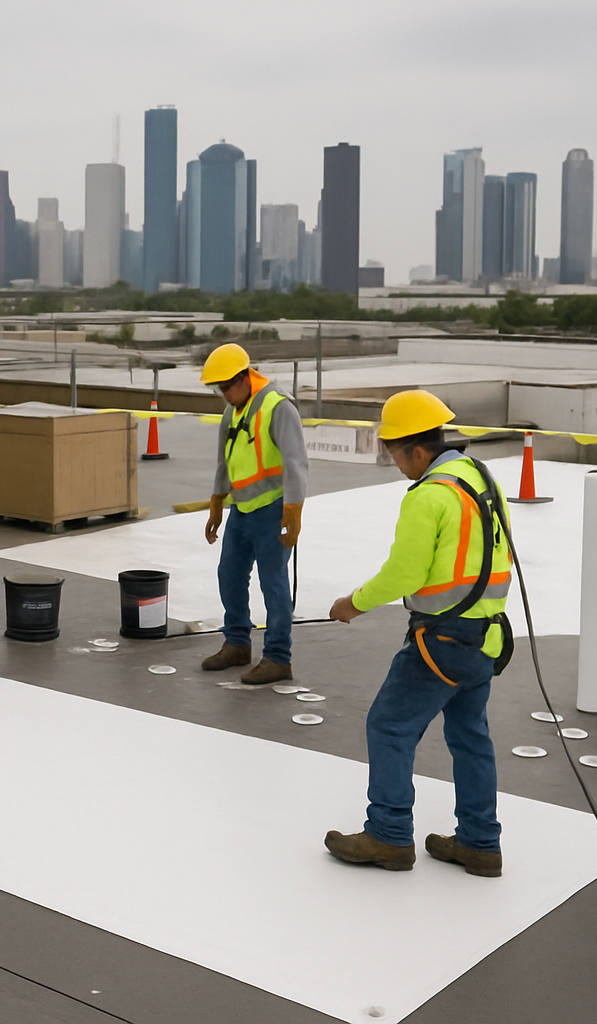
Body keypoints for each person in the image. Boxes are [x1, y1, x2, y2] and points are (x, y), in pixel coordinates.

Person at [324, 390, 513, 877]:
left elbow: (404, 574)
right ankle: (480, 844)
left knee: (389, 726)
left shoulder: (429, 495)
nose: (395, 463)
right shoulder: (480, 478)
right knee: (470, 738)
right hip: (486, 640)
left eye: (394, 452)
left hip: (441, 642)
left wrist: (352, 604)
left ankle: (388, 836)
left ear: (418, 450)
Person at [198, 343, 308, 684]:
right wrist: (217, 501)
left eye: (227, 387)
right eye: (219, 389)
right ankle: (236, 643)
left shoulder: (278, 406)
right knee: (229, 575)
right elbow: (225, 461)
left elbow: (295, 462)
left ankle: (278, 657)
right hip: (241, 510)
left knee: (273, 583)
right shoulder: (232, 411)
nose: (224, 394)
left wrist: (293, 509)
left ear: (245, 377)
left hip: (273, 509)